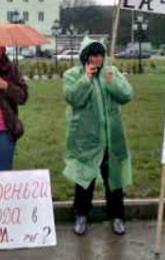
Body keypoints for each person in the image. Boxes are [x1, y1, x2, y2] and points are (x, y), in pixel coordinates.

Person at [63, 37, 134, 236]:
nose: (98, 59)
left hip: (112, 138)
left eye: (101, 55)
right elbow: (72, 98)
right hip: (86, 138)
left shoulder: (112, 73)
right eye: (94, 55)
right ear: (86, 56)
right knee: (84, 178)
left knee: (114, 179)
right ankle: (81, 215)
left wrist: (113, 84)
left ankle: (117, 216)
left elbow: (127, 95)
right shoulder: (72, 75)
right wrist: (86, 78)